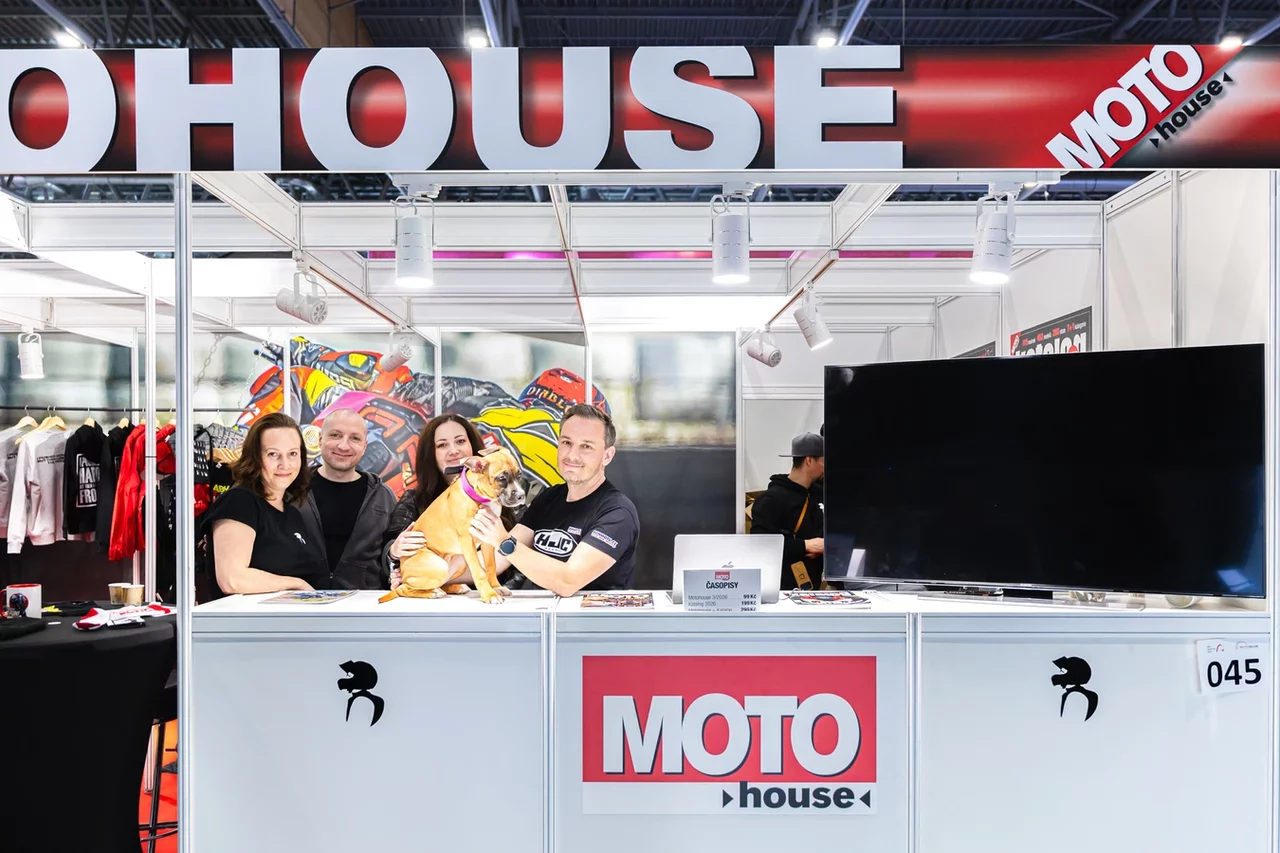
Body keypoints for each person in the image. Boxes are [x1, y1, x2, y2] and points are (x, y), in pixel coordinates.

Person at [469, 404, 640, 596]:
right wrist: (443, 570)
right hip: (544, 613)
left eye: (586, 446)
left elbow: (568, 581)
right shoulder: (549, 498)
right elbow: (497, 560)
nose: (572, 455)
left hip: (595, 615)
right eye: (566, 442)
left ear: (607, 456)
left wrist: (502, 539)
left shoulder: (617, 512)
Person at [384, 413, 516, 589]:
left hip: (490, 596)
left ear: (472, 445)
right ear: (431, 453)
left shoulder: (499, 494)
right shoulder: (415, 499)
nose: (453, 450)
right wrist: (394, 552)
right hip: (435, 596)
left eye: (460, 441)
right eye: (442, 445)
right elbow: (392, 551)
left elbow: (516, 558)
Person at [203, 412, 329, 595]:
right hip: (247, 615)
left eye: (292, 454)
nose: (285, 464)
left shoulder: (292, 510)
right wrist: (296, 584)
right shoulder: (239, 502)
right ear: (254, 457)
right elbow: (232, 579)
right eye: (273, 454)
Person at [298, 409, 396, 590]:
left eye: (354, 438)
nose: (344, 446)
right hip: (299, 601)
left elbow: (392, 554)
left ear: (364, 446)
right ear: (320, 439)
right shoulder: (293, 491)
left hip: (364, 603)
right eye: (335, 435)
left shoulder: (383, 496)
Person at [750, 432, 824, 590]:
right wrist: (804, 546)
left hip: (814, 590)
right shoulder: (770, 499)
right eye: (824, 461)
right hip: (780, 589)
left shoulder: (820, 494)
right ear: (809, 460)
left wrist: (825, 546)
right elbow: (761, 545)